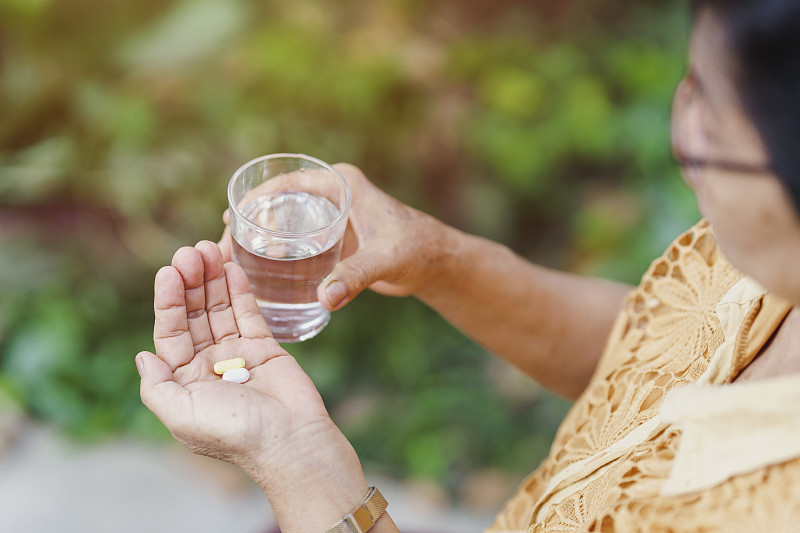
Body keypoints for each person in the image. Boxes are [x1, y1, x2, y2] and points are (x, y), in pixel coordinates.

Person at [136, 0, 800, 530]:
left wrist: (301, 466)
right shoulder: (770, 261)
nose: (680, 134)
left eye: (710, 122)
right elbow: (653, 348)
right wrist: (436, 257)